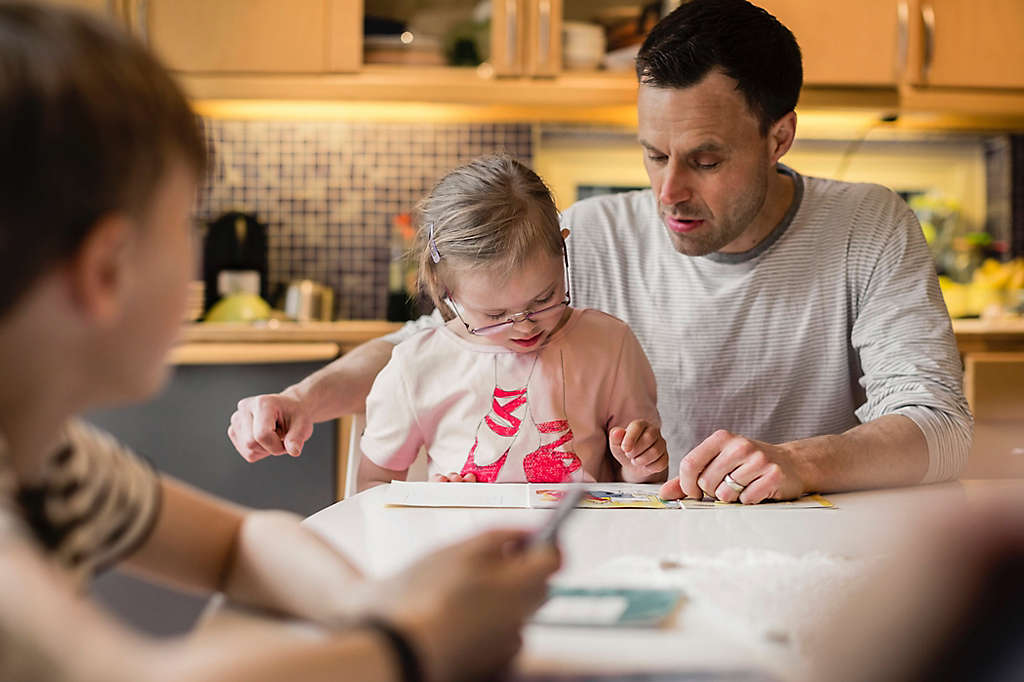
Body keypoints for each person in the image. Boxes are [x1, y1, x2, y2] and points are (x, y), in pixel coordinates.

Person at [0, 4, 558, 681]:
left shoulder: (51, 456)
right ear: (107, 271)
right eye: (185, 225)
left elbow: (240, 541)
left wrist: (373, 603)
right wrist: (417, 638)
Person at [230, 0, 971, 505]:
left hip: (807, 542)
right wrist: (302, 399)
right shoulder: (594, 232)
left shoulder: (868, 226)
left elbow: (939, 427)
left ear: (779, 137)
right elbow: (427, 345)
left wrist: (800, 461)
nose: (668, 192)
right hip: (636, 536)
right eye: (653, 155)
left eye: (705, 161)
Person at [357, 155, 667, 490]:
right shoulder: (416, 366)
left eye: (543, 299)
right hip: (467, 540)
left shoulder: (609, 345)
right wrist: (435, 504)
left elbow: (642, 486)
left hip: (582, 538)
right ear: (445, 290)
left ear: (563, 250)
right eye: (494, 315)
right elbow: (375, 485)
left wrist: (641, 467)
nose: (524, 326)